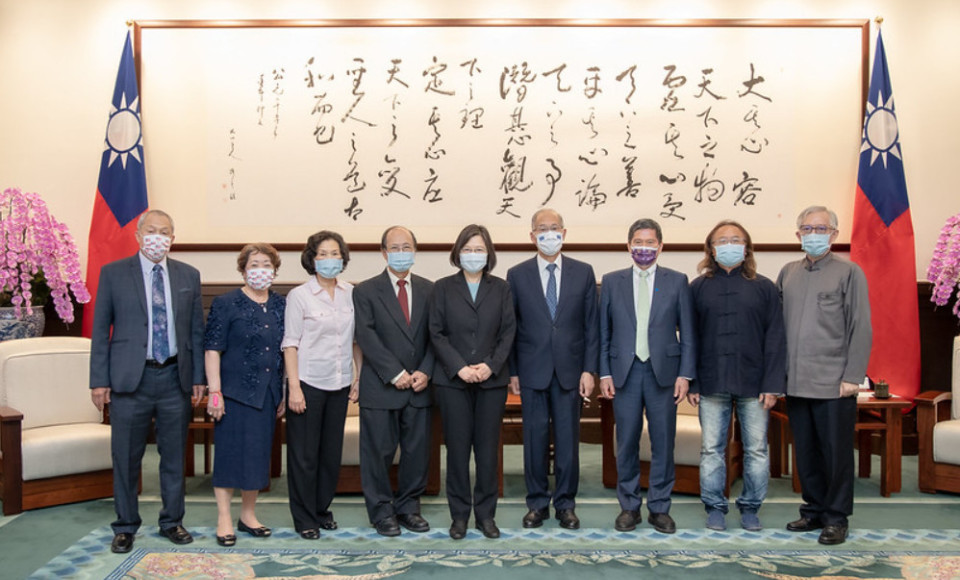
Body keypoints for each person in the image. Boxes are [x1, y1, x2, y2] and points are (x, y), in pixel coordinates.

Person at [89, 209, 204, 554]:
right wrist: (99, 380)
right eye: (151, 231)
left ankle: (172, 521)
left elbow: (196, 331)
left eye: (165, 232)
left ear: (173, 237)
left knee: (173, 455)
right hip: (129, 379)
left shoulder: (188, 275)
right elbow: (99, 330)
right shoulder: (113, 274)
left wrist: (198, 377)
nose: (158, 237)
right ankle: (125, 525)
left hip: (174, 376)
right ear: (138, 236)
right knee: (126, 456)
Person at [777, 206, 871, 546]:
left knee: (836, 453)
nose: (813, 234)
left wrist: (853, 375)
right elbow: (776, 330)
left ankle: (836, 517)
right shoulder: (788, 272)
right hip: (796, 381)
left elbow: (861, 327)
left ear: (833, 234)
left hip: (835, 382)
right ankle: (813, 510)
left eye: (821, 228)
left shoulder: (849, 273)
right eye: (807, 228)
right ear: (798, 234)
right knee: (806, 452)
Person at [687, 220, 786, 531]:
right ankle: (715, 507)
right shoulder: (697, 287)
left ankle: (750, 507)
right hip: (710, 382)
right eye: (722, 240)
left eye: (736, 239)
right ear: (712, 249)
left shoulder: (765, 287)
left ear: (747, 247)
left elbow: (776, 338)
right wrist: (693, 381)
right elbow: (690, 339)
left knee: (756, 449)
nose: (729, 245)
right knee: (712, 449)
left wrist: (773, 384)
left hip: (755, 384)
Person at [599, 218, 695, 535]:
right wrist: (604, 372)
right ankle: (629, 507)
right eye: (638, 241)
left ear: (660, 246)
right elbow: (604, 333)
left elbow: (689, 334)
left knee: (662, 443)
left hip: (663, 374)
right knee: (626, 442)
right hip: (624, 373)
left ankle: (659, 507)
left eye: (650, 242)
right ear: (629, 246)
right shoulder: (612, 281)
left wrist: (685, 374)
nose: (644, 247)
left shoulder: (678, 280)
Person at [507, 208, 598, 530]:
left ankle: (565, 504)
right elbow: (511, 328)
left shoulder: (583, 272)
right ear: (532, 236)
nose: (548, 234)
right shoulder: (517, 275)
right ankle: (536, 503)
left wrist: (590, 369)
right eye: (541, 229)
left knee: (568, 441)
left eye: (554, 228)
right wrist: (513, 372)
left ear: (564, 232)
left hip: (571, 370)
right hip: (532, 370)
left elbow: (592, 326)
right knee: (533, 438)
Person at [429, 224, 516, 540]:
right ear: (457, 253)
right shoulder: (442, 288)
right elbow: (436, 333)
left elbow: (508, 333)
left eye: (479, 249)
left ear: (489, 253)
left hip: (491, 382)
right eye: (467, 249)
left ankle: (486, 516)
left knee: (487, 450)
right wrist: (460, 367)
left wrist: (490, 366)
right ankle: (459, 517)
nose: (473, 255)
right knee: (457, 450)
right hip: (454, 382)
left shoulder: (502, 288)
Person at [353, 226, 435, 537]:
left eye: (407, 247)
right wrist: (395, 373)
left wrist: (425, 371)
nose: (401, 253)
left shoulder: (431, 289)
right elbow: (366, 335)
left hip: (420, 386)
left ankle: (409, 508)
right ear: (384, 252)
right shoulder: (365, 291)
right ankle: (381, 511)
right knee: (377, 453)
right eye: (395, 248)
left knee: (416, 453)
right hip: (381, 386)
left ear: (415, 250)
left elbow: (435, 337)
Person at [203, 244, 286, 546]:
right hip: (234, 392)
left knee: (257, 456)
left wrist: (283, 391)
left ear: (275, 271)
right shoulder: (227, 303)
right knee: (229, 455)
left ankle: (248, 514)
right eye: (254, 264)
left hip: (267, 393)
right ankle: (224, 517)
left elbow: (287, 349)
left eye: (267, 264)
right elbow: (213, 348)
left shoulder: (280, 304)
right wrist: (215, 392)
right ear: (242, 269)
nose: (260, 270)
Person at [282, 230, 361, 540]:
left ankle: (321, 509)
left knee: (330, 454)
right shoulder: (299, 296)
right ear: (311, 260)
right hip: (309, 383)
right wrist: (294, 387)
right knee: (304, 455)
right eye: (322, 254)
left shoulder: (350, 292)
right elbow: (290, 344)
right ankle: (304, 517)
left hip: (340, 382)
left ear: (343, 258)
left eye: (335, 253)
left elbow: (356, 341)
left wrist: (358, 377)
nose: (330, 260)